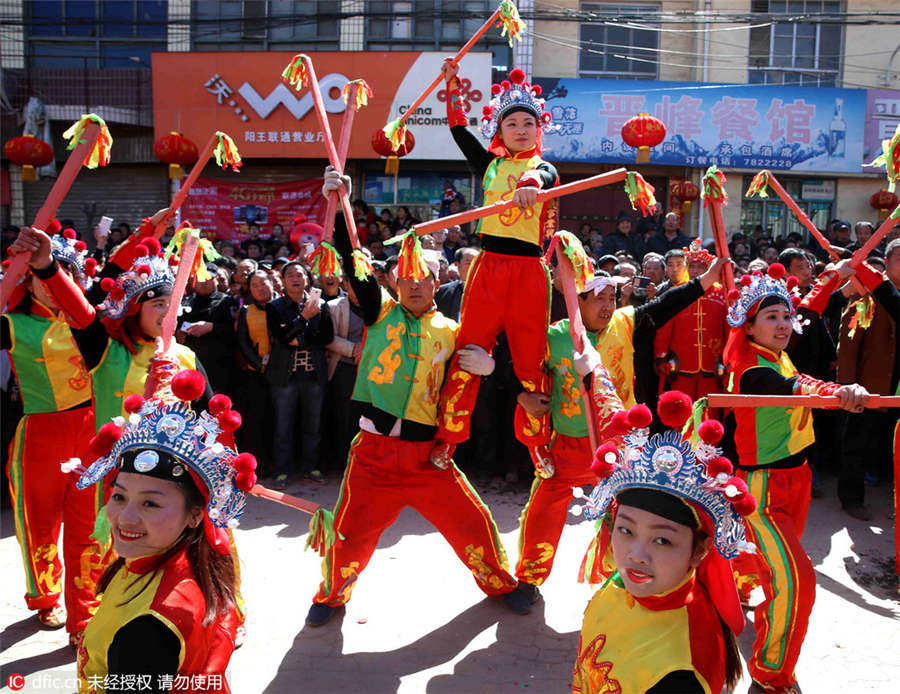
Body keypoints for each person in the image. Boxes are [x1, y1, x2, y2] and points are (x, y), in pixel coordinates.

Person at [304, 171, 534, 626]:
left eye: (423, 278)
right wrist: (340, 202)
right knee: (349, 536)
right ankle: (330, 596)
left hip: (430, 457)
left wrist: (489, 370)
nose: (414, 285)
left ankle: (501, 583)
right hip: (372, 456)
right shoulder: (378, 312)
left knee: (472, 522)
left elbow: (479, 371)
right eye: (406, 277)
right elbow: (354, 263)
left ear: (437, 282)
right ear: (393, 280)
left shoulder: (452, 333)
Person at [514, 241, 728, 600]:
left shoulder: (627, 324)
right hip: (566, 447)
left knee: (630, 520)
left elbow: (663, 306)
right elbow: (517, 368)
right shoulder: (553, 336)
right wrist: (521, 395)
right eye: (598, 298)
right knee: (542, 514)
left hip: (622, 449)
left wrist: (704, 282)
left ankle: (624, 580)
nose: (607, 305)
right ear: (577, 300)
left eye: (612, 298)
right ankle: (529, 579)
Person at [723, 262, 870, 693]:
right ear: (748, 327)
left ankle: (736, 598)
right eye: (772, 316)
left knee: (769, 568)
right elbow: (788, 388)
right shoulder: (751, 367)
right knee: (796, 583)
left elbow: (801, 378)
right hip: (761, 490)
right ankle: (771, 675)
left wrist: (835, 389)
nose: (784, 323)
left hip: (796, 479)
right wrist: (833, 395)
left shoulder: (778, 355)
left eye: (787, 315)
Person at [72, 353, 249, 692]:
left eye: (151, 503)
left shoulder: (149, 628)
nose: (125, 517)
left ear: (196, 514)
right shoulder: (167, 563)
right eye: (120, 496)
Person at [572, 390, 754, 694]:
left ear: (701, 550)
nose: (637, 555)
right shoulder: (617, 586)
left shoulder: (680, 670)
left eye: (661, 540)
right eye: (626, 531)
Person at [431, 61, 560, 473]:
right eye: (512, 124)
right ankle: (447, 442)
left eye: (528, 123)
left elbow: (543, 174)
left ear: (538, 131)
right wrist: (452, 84)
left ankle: (538, 446)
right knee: (469, 352)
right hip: (488, 267)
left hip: (529, 273)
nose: (521, 130)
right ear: (500, 132)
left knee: (529, 362)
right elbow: (457, 130)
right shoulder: (490, 165)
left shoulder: (544, 168)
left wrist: (531, 185)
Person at [2, 225, 106, 644]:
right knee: (39, 522)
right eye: (41, 277)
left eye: (62, 275)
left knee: (87, 525)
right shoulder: (11, 324)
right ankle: (45, 597)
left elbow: (83, 315)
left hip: (87, 434)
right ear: (24, 281)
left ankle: (84, 616)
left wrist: (47, 266)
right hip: (40, 435)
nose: (50, 286)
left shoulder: (88, 323)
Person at [836, 243, 900, 519]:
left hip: (898, 386)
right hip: (870, 386)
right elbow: (848, 350)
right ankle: (851, 499)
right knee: (858, 444)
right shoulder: (867, 300)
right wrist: (846, 387)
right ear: (886, 262)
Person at [265, 262, 333, 488]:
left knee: (313, 425)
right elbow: (281, 337)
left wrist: (298, 339)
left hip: (314, 374)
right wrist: (304, 317)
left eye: (300, 274)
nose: (295, 278)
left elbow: (326, 337)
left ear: (308, 279)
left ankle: (311, 466)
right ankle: (283, 470)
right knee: (282, 425)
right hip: (285, 375)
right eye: (290, 275)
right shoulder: (274, 307)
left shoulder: (321, 304)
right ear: (283, 282)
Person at [653, 240, 728, 411]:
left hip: (712, 363)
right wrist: (661, 356)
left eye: (700, 267)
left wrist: (728, 358)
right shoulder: (676, 292)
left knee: (710, 410)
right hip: (681, 363)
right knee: (680, 410)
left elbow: (728, 329)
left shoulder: (721, 294)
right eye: (691, 266)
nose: (695, 271)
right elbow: (664, 328)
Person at [235, 270, 274, 476]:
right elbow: (242, 341)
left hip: (283, 372)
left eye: (263, 283)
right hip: (256, 373)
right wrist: (258, 364)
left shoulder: (283, 305)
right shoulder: (246, 311)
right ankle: (261, 465)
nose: (260, 288)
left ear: (272, 282)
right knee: (257, 421)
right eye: (254, 285)